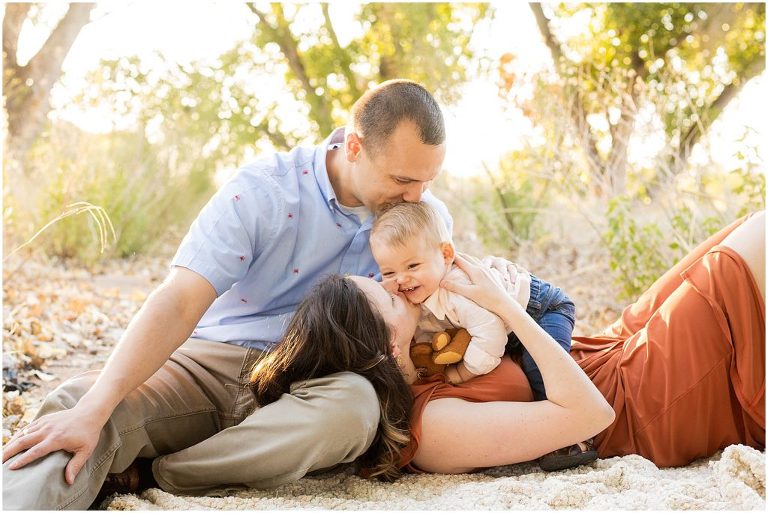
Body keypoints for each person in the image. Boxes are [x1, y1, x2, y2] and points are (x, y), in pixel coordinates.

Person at [2, 79, 453, 510]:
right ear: (355, 147)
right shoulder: (265, 190)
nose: (415, 197)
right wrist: (96, 407)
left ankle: (158, 473)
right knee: (81, 407)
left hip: (318, 382)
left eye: (426, 182)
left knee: (356, 408)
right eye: (402, 180)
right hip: (210, 363)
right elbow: (179, 299)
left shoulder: (423, 217)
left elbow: (437, 314)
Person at [256, 210, 763, 476]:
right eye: (383, 294)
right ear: (384, 345)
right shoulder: (432, 429)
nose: (395, 286)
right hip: (635, 402)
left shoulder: (418, 344)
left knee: (739, 231)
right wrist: (505, 306)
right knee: (742, 261)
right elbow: (590, 416)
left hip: (607, 348)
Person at [369, 201, 593, 470]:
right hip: (508, 323)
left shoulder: (457, 289)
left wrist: (465, 371)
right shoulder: (421, 292)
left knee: (541, 371)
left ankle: (576, 440)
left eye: (413, 266)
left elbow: (490, 336)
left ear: (446, 254)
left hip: (541, 309)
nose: (402, 280)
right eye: (390, 272)